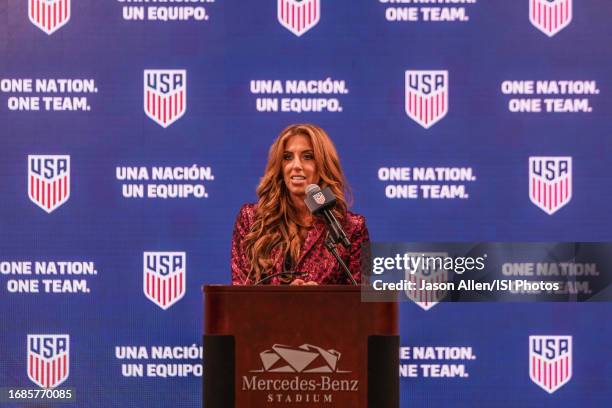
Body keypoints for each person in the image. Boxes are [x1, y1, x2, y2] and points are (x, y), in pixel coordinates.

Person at [231, 124, 369, 285]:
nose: (296, 166)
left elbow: (361, 301)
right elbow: (240, 295)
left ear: (323, 165)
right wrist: (288, 299)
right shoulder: (252, 219)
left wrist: (321, 300)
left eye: (308, 156)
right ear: (280, 166)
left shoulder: (351, 228)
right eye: (288, 157)